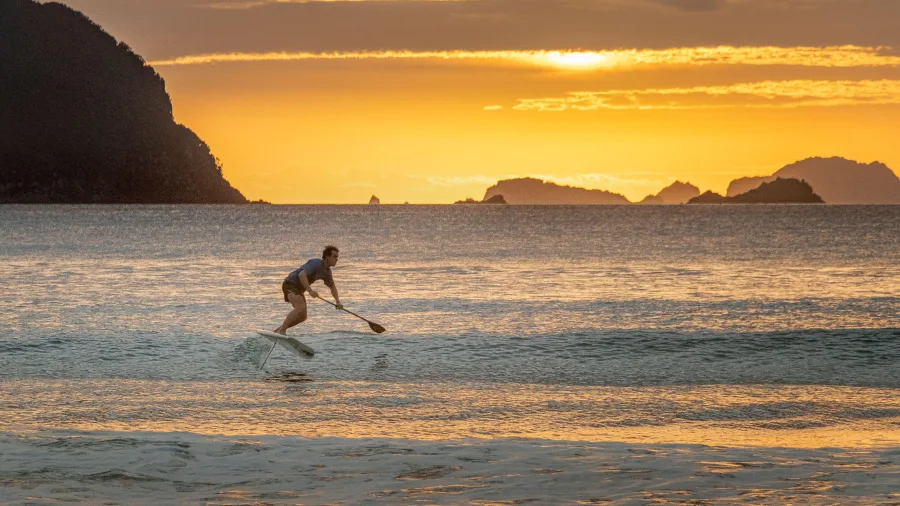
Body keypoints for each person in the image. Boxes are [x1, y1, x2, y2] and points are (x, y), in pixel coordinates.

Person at [273, 246, 342, 335]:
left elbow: (332, 287)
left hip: (299, 289)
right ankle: (282, 331)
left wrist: (338, 302)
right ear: (327, 257)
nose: (337, 259)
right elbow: (301, 275)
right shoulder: (316, 263)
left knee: (303, 316)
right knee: (300, 308)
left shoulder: (327, 272)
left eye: (337, 257)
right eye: (335, 257)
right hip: (290, 283)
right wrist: (310, 291)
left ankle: (278, 331)